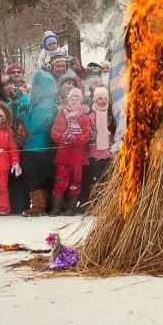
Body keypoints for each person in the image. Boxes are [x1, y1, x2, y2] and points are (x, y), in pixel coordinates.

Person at [20, 50, 64, 216]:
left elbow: (34, 127)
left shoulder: (45, 105)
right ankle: (41, 205)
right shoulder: (42, 103)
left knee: (35, 177)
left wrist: (24, 113)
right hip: (37, 147)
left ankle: (39, 206)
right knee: (37, 177)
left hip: (37, 148)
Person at [49, 87, 94, 216]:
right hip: (63, 155)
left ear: (80, 102)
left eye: (77, 99)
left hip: (77, 156)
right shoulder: (61, 115)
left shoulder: (84, 117)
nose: (74, 102)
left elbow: (87, 134)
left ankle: (71, 207)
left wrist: (75, 140)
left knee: (76, 181)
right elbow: (54, 132)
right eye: (72, 99)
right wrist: (63, 138)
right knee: (60, 180)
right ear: (67, 100)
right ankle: (57, 207)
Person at [84, 86, 116, 205]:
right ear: (95, 100)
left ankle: (106, 203)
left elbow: (115, 131)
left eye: (105, 98)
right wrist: (91, 134)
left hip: (109, 153)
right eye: (100, 98)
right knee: (96, 179)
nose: (103, 101)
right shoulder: (91, 116)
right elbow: (88, 133)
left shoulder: (111, 115)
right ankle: (95, 203)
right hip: (95, 152)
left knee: (107, 179)